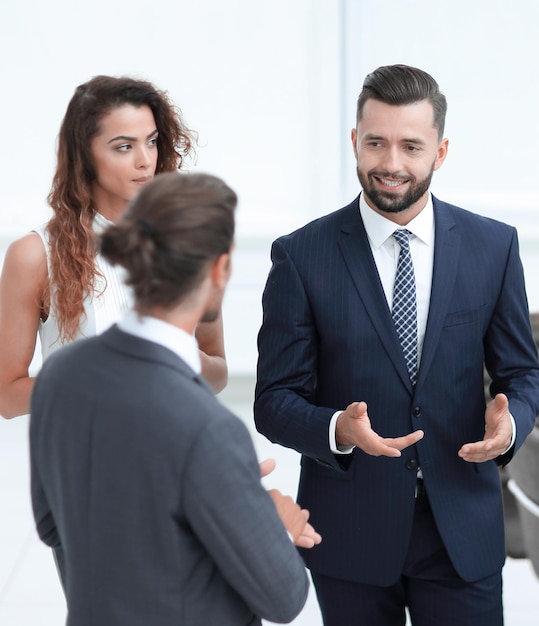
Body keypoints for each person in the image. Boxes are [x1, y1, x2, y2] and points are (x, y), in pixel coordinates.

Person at [254, 64, 539, 625]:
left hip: (462, 529)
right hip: (350, 533)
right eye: (376, 142)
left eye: (411, 146)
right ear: (355, 143)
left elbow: (523, 376)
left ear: (441, 150)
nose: (391, 163)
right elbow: (274, 400)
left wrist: (510, 426)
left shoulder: (493, 247)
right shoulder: (301, 256)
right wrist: (338, 429)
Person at [30, 171, 319, 626]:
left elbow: (53, 526)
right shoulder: (210, 429)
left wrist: (219, 496)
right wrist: (268, 523)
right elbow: (284, 598)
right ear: (220, 269)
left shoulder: (58, 376)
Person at [0, 74, 227, 424]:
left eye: (151, 142)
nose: (145, 160)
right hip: (84, 462)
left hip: (173, 454)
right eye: (124, 146)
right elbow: (8, 397)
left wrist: (179, 358)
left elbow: (219, 370)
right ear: (85, 154)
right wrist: (96, 373)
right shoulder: (35, 254)